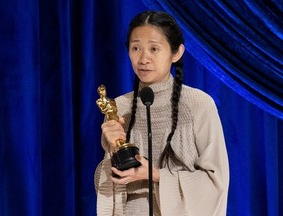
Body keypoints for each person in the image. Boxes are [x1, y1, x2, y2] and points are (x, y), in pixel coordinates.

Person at [94, 10, 229, 216]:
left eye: (154, 48)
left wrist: (155, 175)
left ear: (176, 53)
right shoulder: (119, 107)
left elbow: (216, 182)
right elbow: (106, 188)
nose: (143, 58)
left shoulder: (198, 105)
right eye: (136, 48)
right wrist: (112, 151)